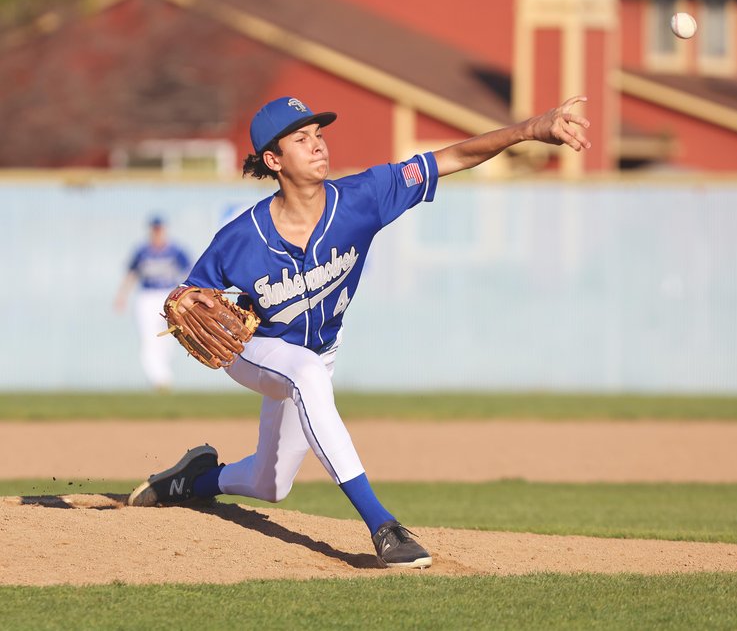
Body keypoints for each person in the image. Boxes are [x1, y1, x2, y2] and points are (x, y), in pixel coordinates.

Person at [127, 95, 591, 568]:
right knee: (305, 372)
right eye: (301, 139)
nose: (318, 146)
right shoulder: (241, 238)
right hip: (255, 354)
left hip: (318, 354)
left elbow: (451, 158)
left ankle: (190, 480)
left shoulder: (364, 197)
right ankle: (383, 526)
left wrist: (530, 129)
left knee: (272, 483)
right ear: (273, 160)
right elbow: (187, 293)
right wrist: (181, 300)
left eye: (320, 135)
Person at [114, 217, 191, 391]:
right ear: (150, 230)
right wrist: (121, 296)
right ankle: (160, 380)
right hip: (147, 296)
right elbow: (131, 274)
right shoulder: (142, 251)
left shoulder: (175, 251)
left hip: (169, 295)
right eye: (155, 229)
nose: (157, 232)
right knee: (149, 338)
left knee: (171, 337)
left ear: (164, 230)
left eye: (159, 229)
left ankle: (163, 375)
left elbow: (189, 273)